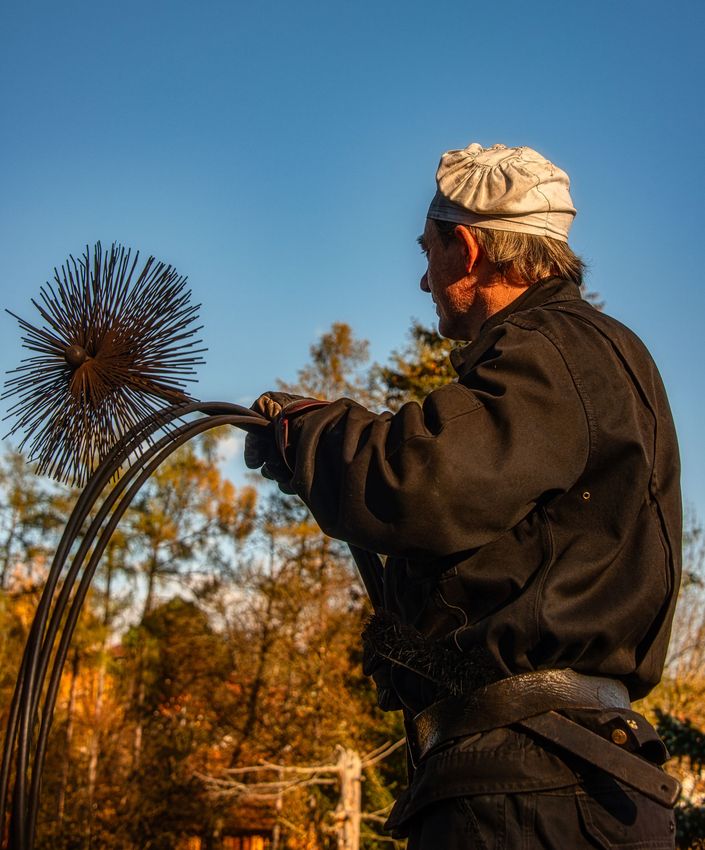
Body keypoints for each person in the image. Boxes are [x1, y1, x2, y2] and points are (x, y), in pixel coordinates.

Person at [244, 142, 682, 849]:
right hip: (571, 782)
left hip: (531, 794)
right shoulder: (593, 352)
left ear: (468, 249)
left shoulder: (547, 350)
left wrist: (312, 432)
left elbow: (416, 481)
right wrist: (418, 652)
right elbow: (520, 562)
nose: (422, 280)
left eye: (427, 252)